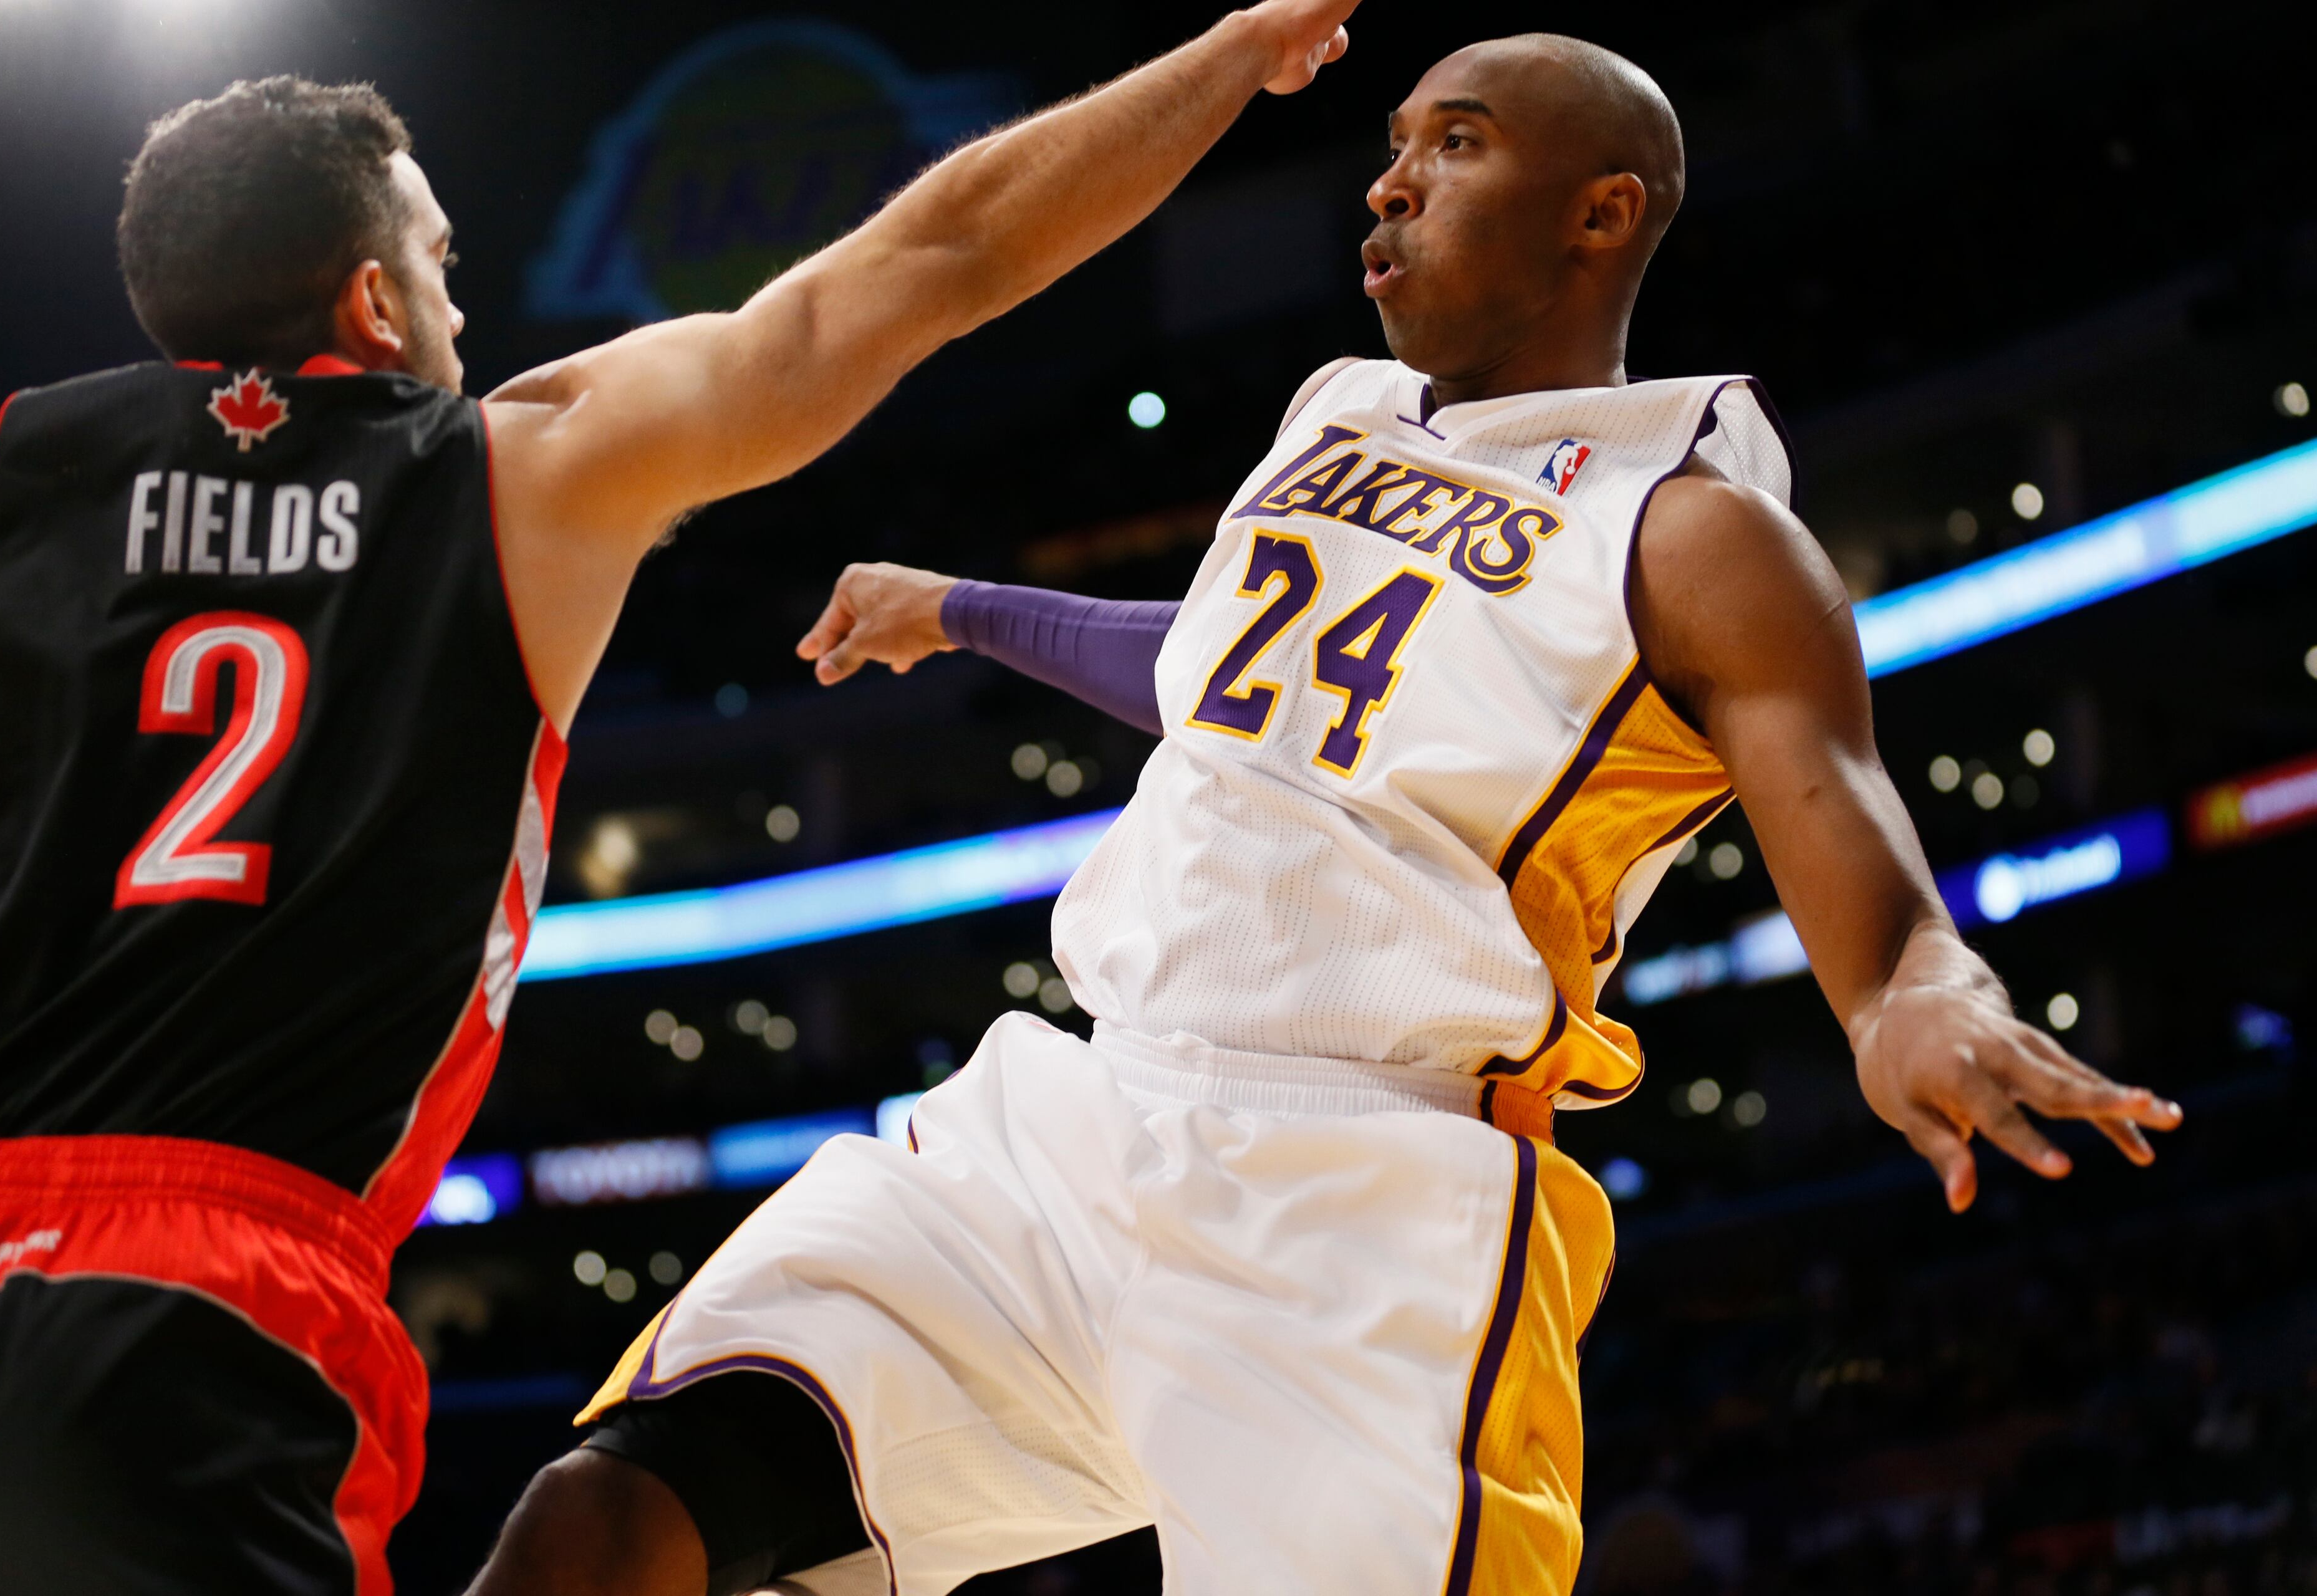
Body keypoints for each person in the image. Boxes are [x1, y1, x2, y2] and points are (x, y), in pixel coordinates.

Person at [476, 32, 2185, 1596]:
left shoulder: (1698, 536)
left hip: (1364, 1208)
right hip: (1071, 1125)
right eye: (1391, 146)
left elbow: (1867, 862)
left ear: (1602, 212)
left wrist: (1924, 1007)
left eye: (1455, 143)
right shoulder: (1332, 413)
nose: (1389, 181)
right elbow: (1228, 670)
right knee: (615, 1510)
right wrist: (963, 606)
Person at [0, 6, 1362, 1591]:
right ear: (375, 298)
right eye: (446, 262)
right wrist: (1225, 56)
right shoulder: (514, 470)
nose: (464, 305)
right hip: (206, 1300)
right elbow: (925, 263)